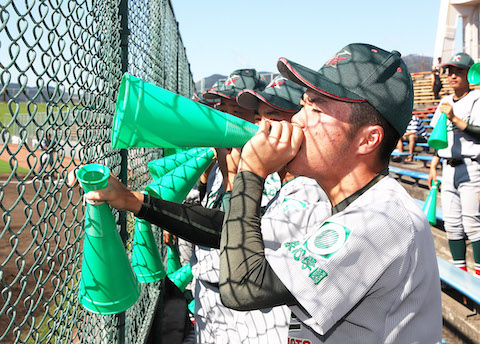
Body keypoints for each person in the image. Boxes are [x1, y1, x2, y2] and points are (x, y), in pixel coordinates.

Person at [218, 43, 442, 343]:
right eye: (302, 104)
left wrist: (251, 172)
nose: (296, 120)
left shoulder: (383, 216)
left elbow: (241, 287)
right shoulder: (342, 198)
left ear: (367, 140)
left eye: (316, 108)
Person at [428, 52, 480, 277]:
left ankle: (478, 276)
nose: (453, 75)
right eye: (450, 71)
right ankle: (459, 274)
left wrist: (455, 119)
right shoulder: (445, 100)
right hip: (448, 167)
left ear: (470, 74)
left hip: (472, 166)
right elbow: (439, 136)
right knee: (451, 224)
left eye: (459, 71)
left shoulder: (476, 99)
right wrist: (434, 162)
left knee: (473, 223)